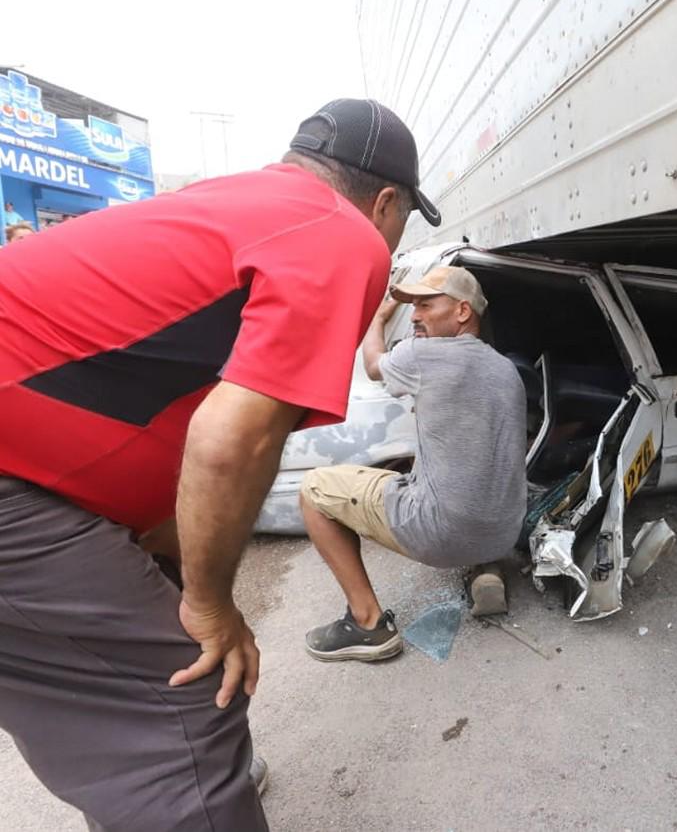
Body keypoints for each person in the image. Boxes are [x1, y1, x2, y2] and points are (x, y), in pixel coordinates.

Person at [0, 98, 441, 830]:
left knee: (135, 689)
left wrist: (180, 577)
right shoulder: (340, 231)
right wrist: (211, 606)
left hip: (38, 484)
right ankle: (189, 784)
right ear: (385, 202)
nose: (390, 244)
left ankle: (180, 792)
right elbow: (232, 441)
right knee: (188, 697)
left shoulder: (232, 205)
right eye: (398, 225)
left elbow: (176, 441)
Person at [301, 265, 527, 662]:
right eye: (412, 306)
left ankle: (367, 625)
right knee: (462, 478)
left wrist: (379, 318)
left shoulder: (422, 355)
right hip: (505, 532)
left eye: (425, 304)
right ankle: (485, 567)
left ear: (462, 312)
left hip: (441, 534)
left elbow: (373, 364)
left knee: (314, 490)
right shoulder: (506, 370)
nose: (416, 315)